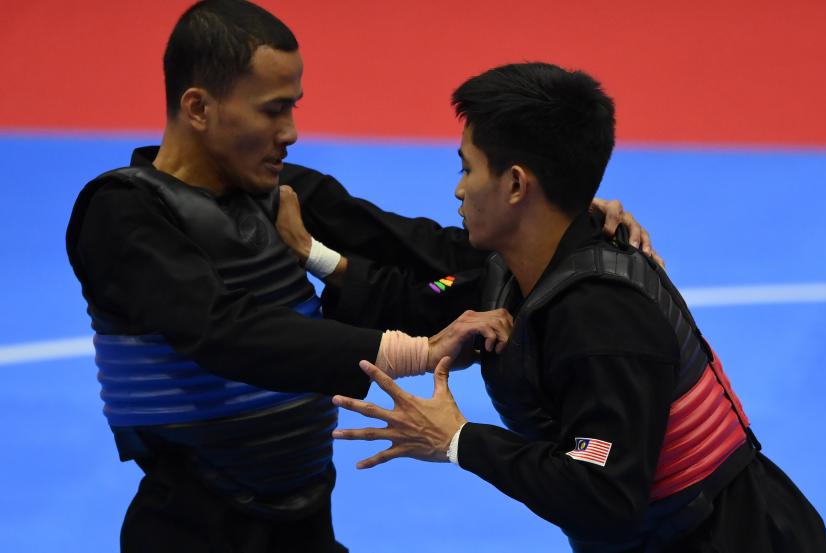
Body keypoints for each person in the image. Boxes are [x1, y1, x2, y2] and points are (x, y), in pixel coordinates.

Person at [65, 1, 516, 551]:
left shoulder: (285, 194)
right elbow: (225, 331)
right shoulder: (124, 213)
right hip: (191, 528)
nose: (292, 131)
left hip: (306, 526)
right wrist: (416, 352)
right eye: (273, 111)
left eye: (293, 108)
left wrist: (568, 220)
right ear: (198, 107)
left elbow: (450, 268)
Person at [331, 63, 826, 552]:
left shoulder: (602, 320)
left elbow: (604, 497)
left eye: (467, 167)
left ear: (517, 185)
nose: (458, 188)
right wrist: (315, 255)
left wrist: (458, 440)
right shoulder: (515, 265)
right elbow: (423, 286)